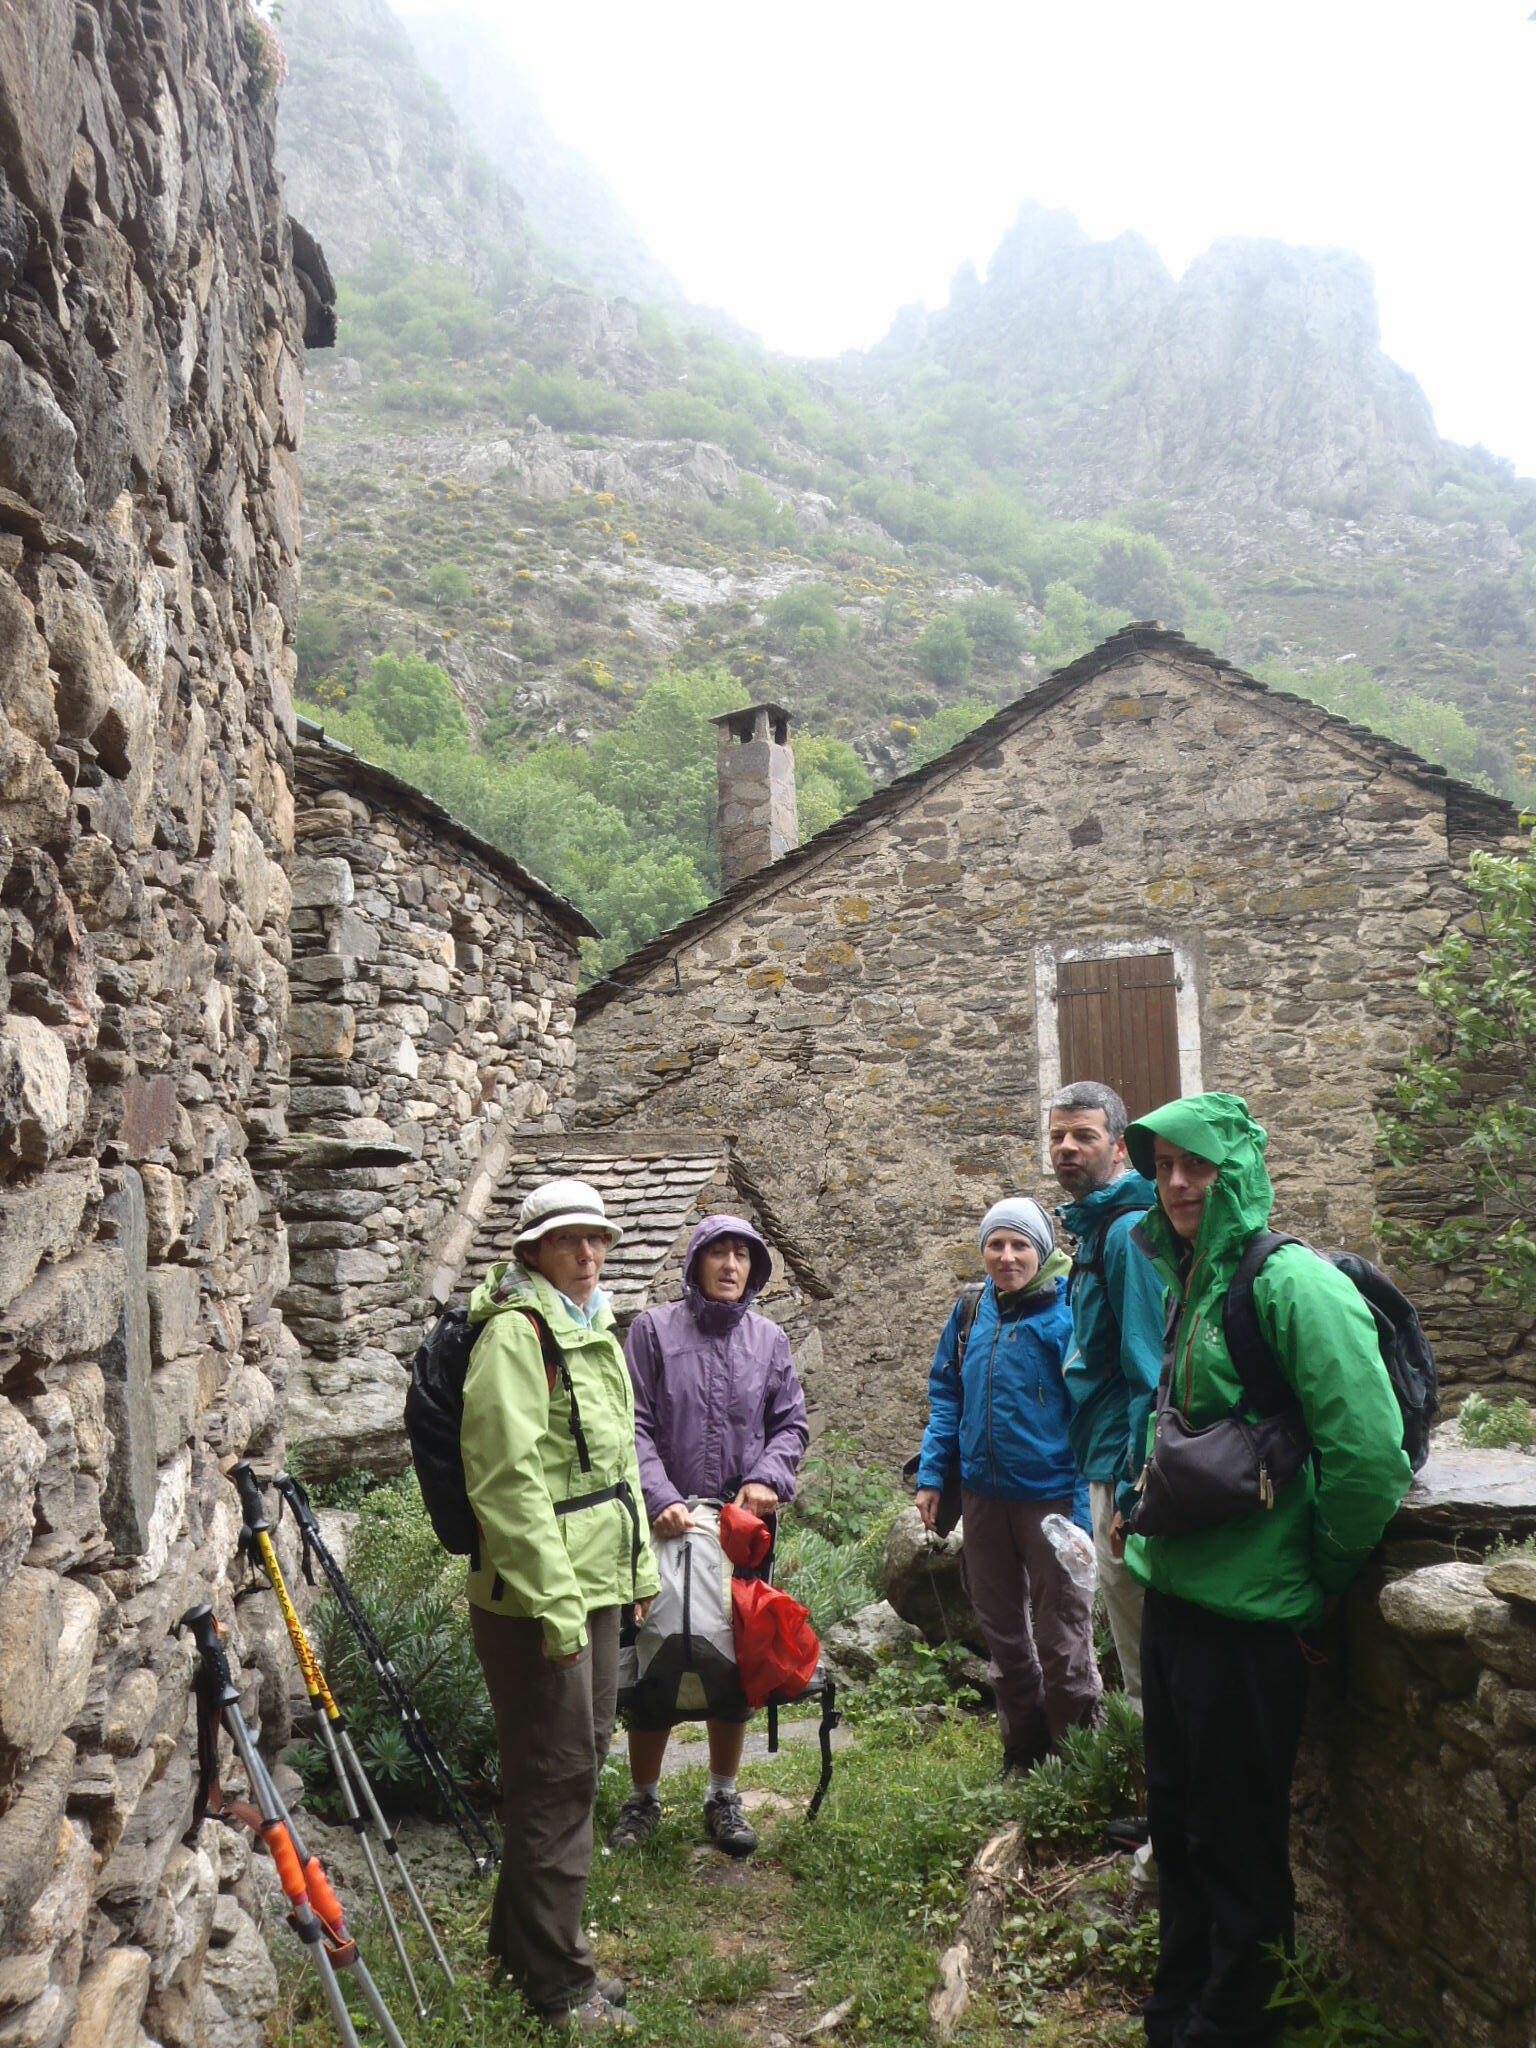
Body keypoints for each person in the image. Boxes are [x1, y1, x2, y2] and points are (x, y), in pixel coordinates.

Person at [1117, 1094, 1413, 2048]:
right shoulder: (1188, 1279)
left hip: (1251, 1623)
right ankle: (1176, 2011)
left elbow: (1368, 1455)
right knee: (1178, 1823)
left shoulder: (1290, 1284)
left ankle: (1237, 2026)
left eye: (1196, 1165)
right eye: (1163, 1166)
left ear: (1236, 1169)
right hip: (1177, 1601)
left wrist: (1319, 1577)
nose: (1176, 1183)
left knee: (1236, 1841)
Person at [461, 1177, 658, 2035]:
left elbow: (615, 1465)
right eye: (570, 1239)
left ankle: (522, 1954)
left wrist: (638, 1572)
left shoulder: (590, 1323)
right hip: (541, 1599)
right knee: (557, 1777)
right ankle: (561, 1989)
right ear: (532, 1250)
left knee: (568, 1768)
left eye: (598, 1238)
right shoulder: (517, 1334)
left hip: (595, 1584)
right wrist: (557, 1608)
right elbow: (507, 1484)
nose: (588, 1252)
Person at [609, 1216, 809, 1859]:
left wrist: (767, 1477)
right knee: (655, 1657)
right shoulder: (652, 1331)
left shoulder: (769, 1340)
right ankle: (642, 1798)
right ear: (695, 1263)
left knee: (733, 1661)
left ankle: (723, 1795)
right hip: (663, 1526)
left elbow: (790, 1425)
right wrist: (659, 1496)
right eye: (718, 1253)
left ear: (754, 1269)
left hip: (738, 1531)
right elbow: (632, 1423)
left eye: (742, 1255)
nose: (730, 1265)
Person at [914, 1197, 1102, 1772]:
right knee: (1003, 1636)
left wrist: (1081, 1517)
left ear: (1041, 1250)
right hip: (983, 1499)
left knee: (1063, 1635)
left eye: (1020, 1244)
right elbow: (947, 1397)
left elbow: (1090, 1415)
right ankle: (1023, 1753)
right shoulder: (972, 1311)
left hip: (1052, 1501)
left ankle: (1076, 1764)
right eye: (995, 1244)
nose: (1007, 1256)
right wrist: (931, 1476)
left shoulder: (1068, 1312)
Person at [1047, 1081, 1165, 1712]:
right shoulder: (1097, 1228)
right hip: (1103, 1453)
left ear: (1119, 1147)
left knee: (1144, 1639)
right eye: (1058, 1136)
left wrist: (1131, 1489)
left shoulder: (1124, 1233)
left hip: (1122, 1461)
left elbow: (1148, 1372)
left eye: (1084, 1136)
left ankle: (1161, 1768)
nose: (1067, 1148)